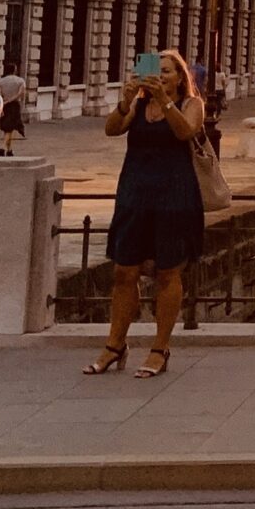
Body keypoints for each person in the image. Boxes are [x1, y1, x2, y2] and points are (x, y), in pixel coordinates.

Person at [85, 49, 207, 379]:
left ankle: (159, 348)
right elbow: (112, 129)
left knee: (168, 272)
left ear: (180, 77)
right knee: (125, 271)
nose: (160, 76)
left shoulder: (190, 105)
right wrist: (126, 101)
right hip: (135, 193)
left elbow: (186, 132)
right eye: (157, 71)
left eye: (167, 71)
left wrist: (164, 101)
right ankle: (115, 344)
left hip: (174, 195)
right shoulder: (139, 104)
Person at [0, 68, 30, 156]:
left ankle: (9, 150)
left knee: (8, 127)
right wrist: (10, 100)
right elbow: (21, 93)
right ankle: (3, 148)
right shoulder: (20, 81)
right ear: (15, 70)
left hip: (4, 105)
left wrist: (3, 101)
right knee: (9, 128)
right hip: (14, 105)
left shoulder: (1, 81)